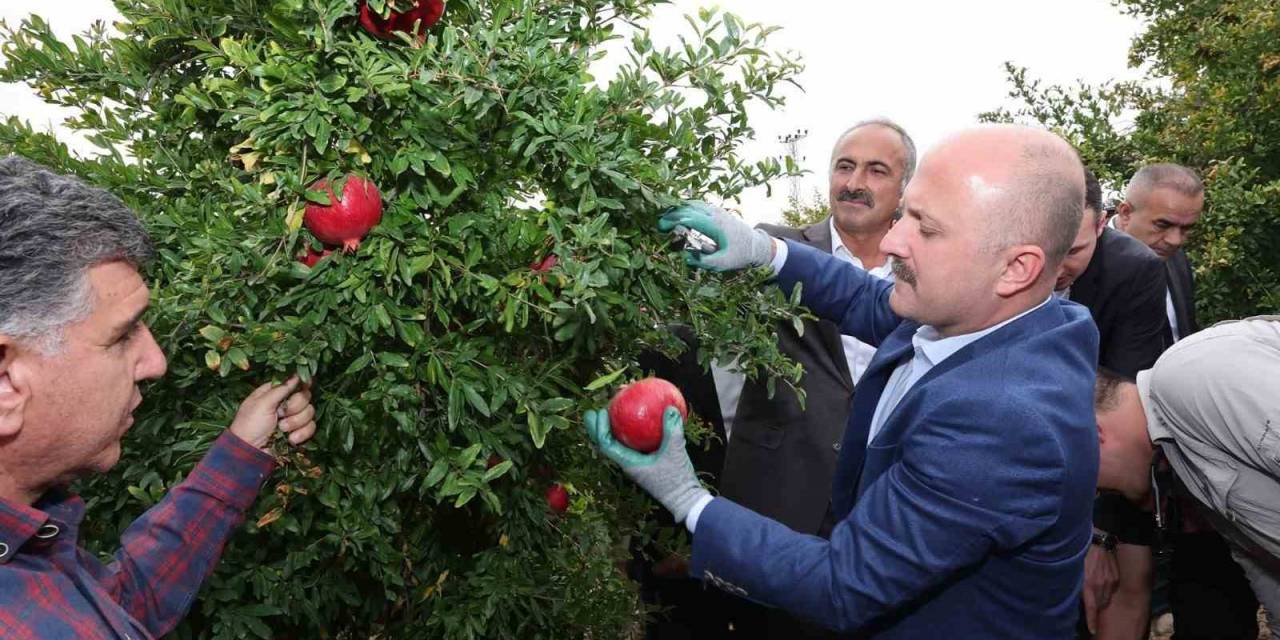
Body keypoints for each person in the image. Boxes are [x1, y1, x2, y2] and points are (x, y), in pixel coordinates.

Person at [587, 125, 1100, 637]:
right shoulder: (996, 315)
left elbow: (843, 586)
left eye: (926, 227)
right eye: (906, 215)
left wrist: (688, 499)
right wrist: (766, 252)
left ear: (1016, 267)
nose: (894, 240)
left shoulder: (1002, 421)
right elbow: (864, 300)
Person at [0, 156, 318, 639]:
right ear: (6, 381)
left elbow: (119, 607)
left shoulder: (27, 566)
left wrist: (243, 450)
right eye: (122, 336)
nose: (156, 362)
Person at [1107, 163, 1259, 639]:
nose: (1175, 240)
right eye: (1164, 225)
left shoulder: (1173, 262)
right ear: (1125, 211)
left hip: (1181, 444)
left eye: (1187, 229)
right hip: (1116, 452)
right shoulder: (1088, 264)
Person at [1093, 317, 1280, 637]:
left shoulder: (1187, 375)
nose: (1100, 491)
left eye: (1093, 484)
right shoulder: (1183, 461)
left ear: (1094, 437)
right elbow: (1264, 569)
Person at [1054, 168, 1169, 636]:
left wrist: (1100, 535)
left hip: (1110, 464)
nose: (1053, 266)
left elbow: (1122, 414)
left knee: (1124, 579)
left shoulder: (1134, 271)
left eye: (1074, 251)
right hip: (1024, 455)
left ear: (1101, 224)